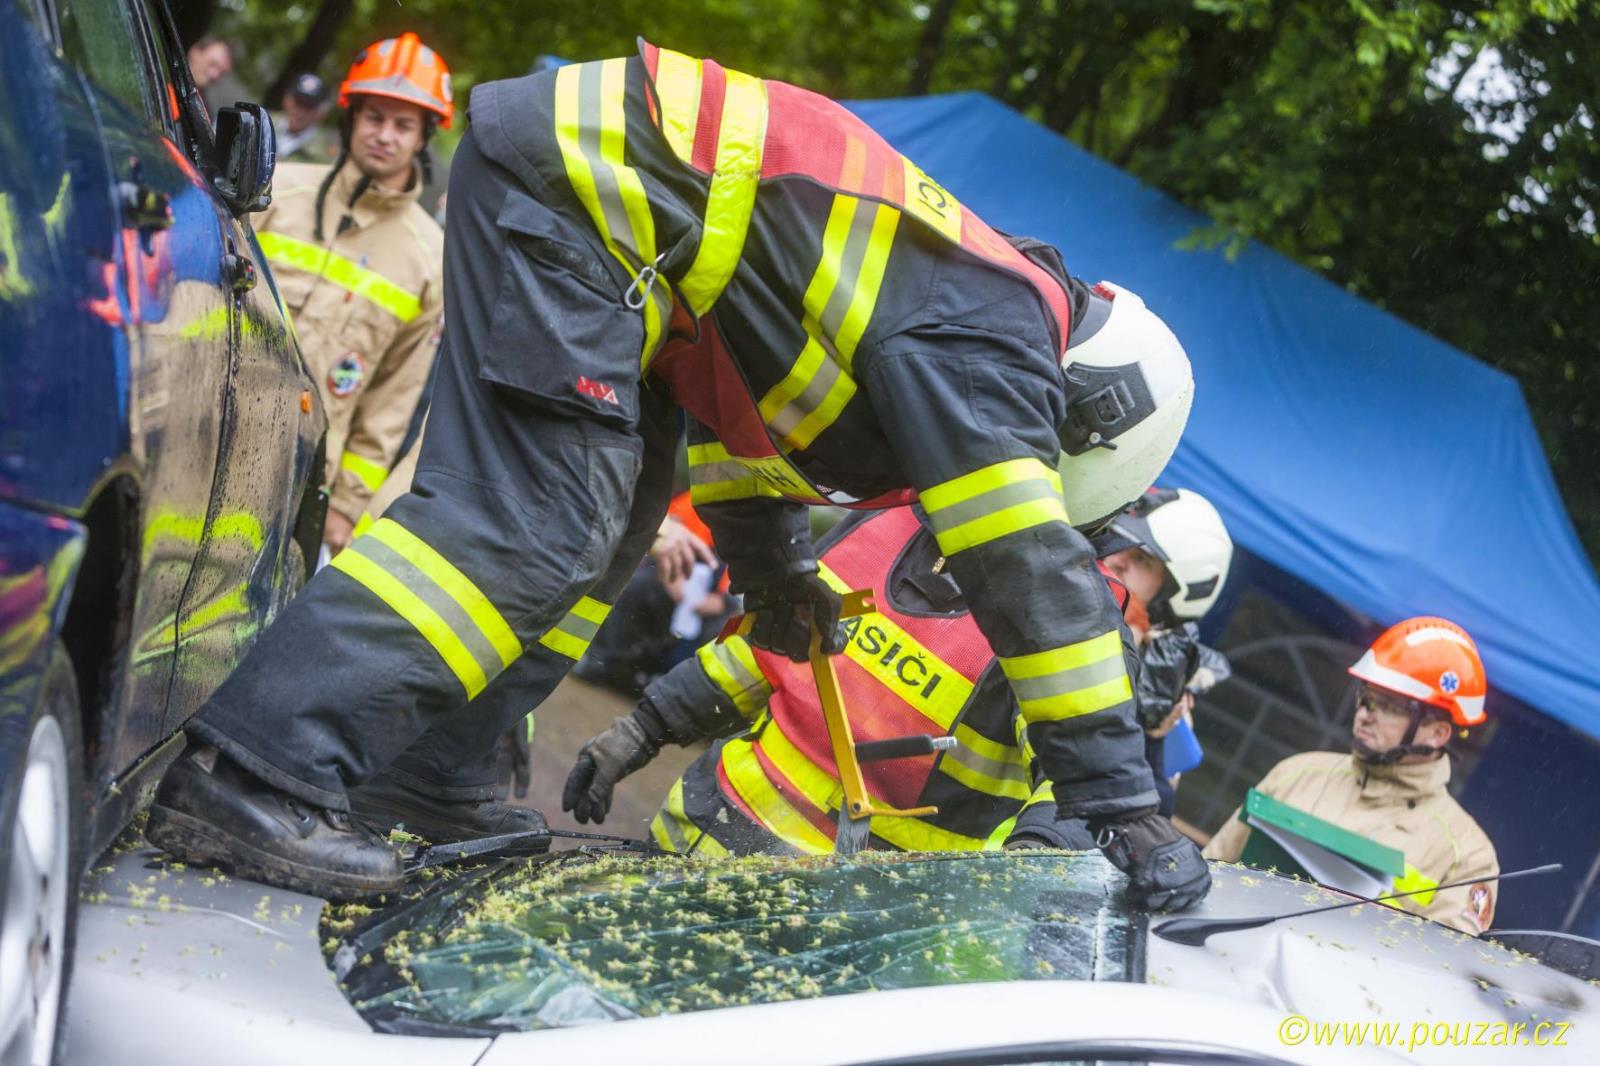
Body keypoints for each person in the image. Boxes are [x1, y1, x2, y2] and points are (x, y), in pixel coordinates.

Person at [148, 43, 1205, 908]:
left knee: (603, 527)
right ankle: (254, 771)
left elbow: (731, 416)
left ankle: (434, 773)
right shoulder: (997, 336)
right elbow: (1025, 566)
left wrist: (772, 570)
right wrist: (1123, 803)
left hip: (621, 233)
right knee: (536, 523)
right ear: (1089, 419)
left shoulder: (945, 302)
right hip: (588, 193)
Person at [250, 34, 448, 559]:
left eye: (403, 125)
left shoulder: (431, 258)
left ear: (424, 135)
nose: (385, 136)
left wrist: (346, 506)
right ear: (351, 118)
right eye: (374, 117)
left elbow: (394, 397)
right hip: (211, 427)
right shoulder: (274, 190)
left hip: (302, 478)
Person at [1204, 617, 1500, 934]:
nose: (1365, 715)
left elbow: (1441, 969)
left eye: (1389, 706)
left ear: (1437, 733)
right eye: (1367, 697)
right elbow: (1208, 874)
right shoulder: (1297, 774)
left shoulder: (1466, 855)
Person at [1103, 488, 1234, 814]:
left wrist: (1152, 739)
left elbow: (1148, 816)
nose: (1116, 559)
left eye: (1141, 559)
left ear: (1178, 589)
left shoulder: (1164, 694)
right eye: (1119, 541)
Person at [271, 72, 336, 163]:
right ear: (287, 99)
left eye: (309, 105)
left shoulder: (324, 155)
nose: (300, 111)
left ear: (321, 112)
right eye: (298, 102)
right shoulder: (260, 123)